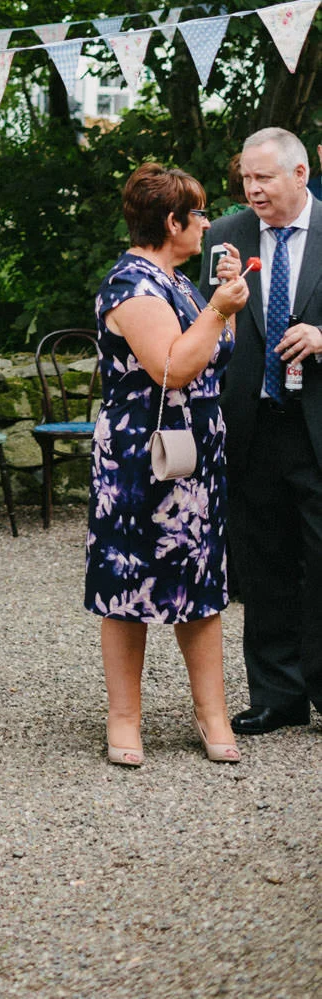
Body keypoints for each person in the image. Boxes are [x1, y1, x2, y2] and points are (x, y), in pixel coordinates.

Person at [85, 161, 250, 766]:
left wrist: (220, 303)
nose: (207, 223)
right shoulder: (130, 284)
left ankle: (211, 713)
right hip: (141, 456)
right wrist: (218, 309)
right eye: (199, 213)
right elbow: (172, 366)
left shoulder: (176, 280)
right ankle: (124, 718)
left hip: (197, 453)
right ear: (172, 221)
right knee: (129, 580)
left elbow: (210, 353)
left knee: (201, 581)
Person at [207, 127, 322, 734]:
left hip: (317, 426)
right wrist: (223, 300)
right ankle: (278, 698)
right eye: (246, 178)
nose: (251, 189)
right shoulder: (226, 234)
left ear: (300, 174)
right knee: (264, 560)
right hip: (252, 423)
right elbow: (207, 326)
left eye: (264, 178)